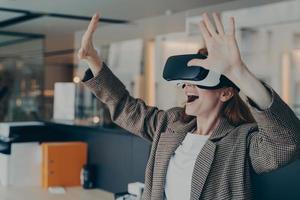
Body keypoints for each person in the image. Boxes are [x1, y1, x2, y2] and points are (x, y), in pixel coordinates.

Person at [78, 12, 300, 200]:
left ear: (225, 92)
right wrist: (94, 61)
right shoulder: (169, 125)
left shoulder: (242, 142)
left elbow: (288, 142)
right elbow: (125, 108)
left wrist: (239, 73)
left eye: (197, 82)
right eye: (185, 82)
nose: (186, 87)